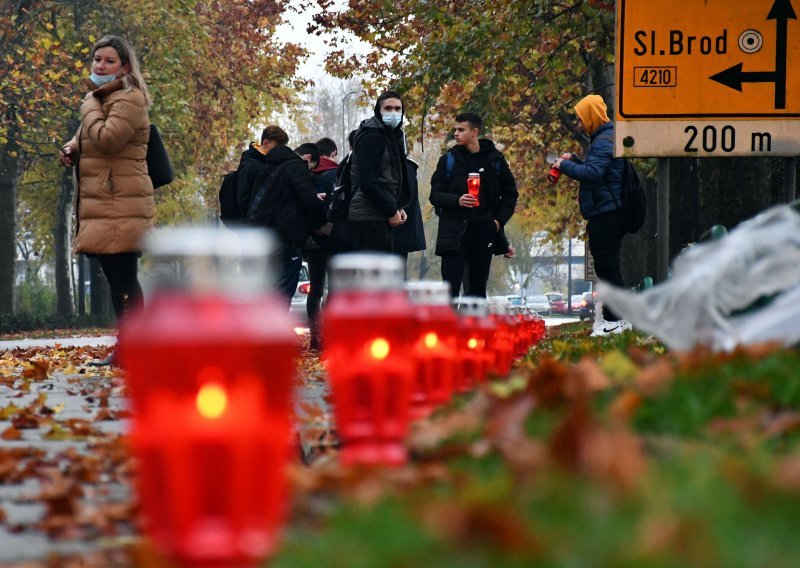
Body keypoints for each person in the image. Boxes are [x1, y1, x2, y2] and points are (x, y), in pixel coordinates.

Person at [58, 35, 152, 366]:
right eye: (97, 59)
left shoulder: (128, 98)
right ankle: (131, 349)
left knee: (123, 279)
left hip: (121, 202)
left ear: (124, 66)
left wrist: (88, 105)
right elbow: (88, 135)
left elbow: (108, 138)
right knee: (119, 280)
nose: (100, 65)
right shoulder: (103, 99)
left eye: (109, 60)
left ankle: (135, 350)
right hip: (108, 202)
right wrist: (72, 147)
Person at [553, 94, 631, 336]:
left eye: (580, 118)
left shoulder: (604, 140)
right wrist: (575, 160)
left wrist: (563, 166)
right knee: (608, 267)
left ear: (591, 115)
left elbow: (594, 172)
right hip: (605, 210)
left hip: (606, 212)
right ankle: (619, 319)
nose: (579, 123)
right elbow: (596, 168)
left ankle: (614, 321)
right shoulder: (603, 138)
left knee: (607, 267)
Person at [430, 112, 518, 298]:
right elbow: (435, 195)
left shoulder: (495, 160)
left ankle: (474, 327)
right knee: (449, 292)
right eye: (455, 129)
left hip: (482, 233)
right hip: (454, 234)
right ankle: (449, 326)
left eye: (461, 130)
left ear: (474, 132)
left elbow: (510, 194)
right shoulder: (448, 161)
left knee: (477, 293)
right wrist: (457, 200)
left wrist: (497, 222)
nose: (456, 133)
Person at [245, 127, 326, 304]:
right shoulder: (295, 165)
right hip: (287, 238)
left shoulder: (266, 166)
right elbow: (308, 201)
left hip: (264, 238)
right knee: (282, 296)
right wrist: (321, 222)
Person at [345, 91, 410, 253]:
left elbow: (390, 177)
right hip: (368, 217)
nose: (394, 113)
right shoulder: (371, 136)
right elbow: (368, 182)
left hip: (380, 214)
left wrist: (398, 206)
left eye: (398, 109)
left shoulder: (392, 136)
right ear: (378, 111)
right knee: (374, 276)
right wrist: (391, 209)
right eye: (388, 108)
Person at [305, 137, 339, 350]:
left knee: (315, 289)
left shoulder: (306, 174)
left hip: (312, 241)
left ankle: (315, 335)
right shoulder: (338, 173)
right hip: (334, 239)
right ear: (334, 152)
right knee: (334, 289)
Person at [233, 127, 279, 221]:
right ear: (265, 143)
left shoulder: (268, 163)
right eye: (275, 147)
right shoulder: (249, 165)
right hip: (249, 226)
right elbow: (242, 200)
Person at [393, 157, 426, 277]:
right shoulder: (407, 169)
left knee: (396, 276)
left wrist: (395, 209)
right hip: (399, 234)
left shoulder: (404, 169)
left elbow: (405, 200)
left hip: (396, 232)